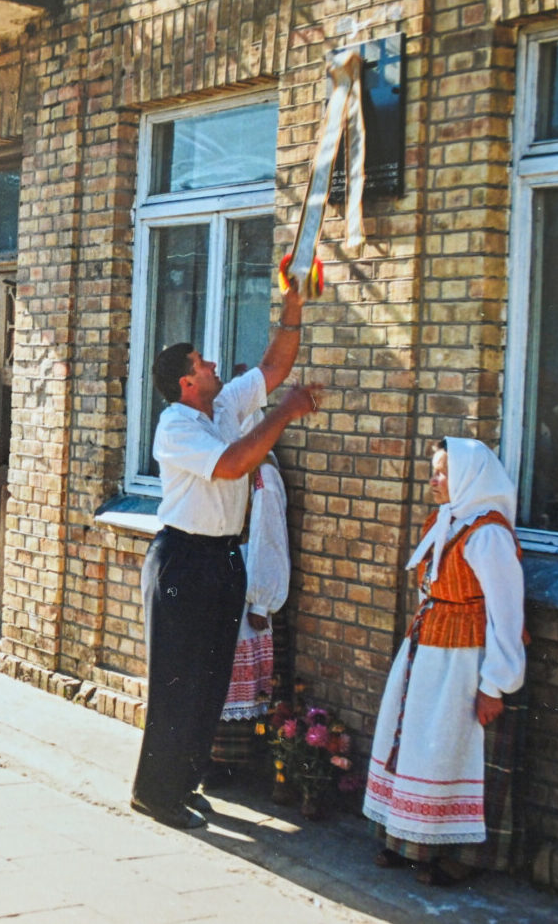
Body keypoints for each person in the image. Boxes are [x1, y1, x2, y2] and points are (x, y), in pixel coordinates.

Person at [130, 283, 320, 830]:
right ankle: (154, 792)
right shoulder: (177, 425)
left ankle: (185, 782)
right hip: (182, 561)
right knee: (176, 682)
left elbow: (272, 367)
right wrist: (282, 415)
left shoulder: (224, 404)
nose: (213, 363)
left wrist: (295, 304)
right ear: (187, 383)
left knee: (210, 681)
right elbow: (236, 463)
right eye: (201, 362)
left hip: (221, 558)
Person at [364, 437, 527, 886]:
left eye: (442, 472)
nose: (432, 480)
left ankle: (464, 856)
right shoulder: (443, 521)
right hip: (428, 651)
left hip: (464, 660)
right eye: (434, 470)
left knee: (456, 751)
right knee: (419, 744)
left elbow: (507, 614)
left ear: (470, 477)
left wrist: (494, 684)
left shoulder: (488, 533)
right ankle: (408, 842)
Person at [208, 450, 289, 775]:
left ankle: (232, 763)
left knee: (243, 670)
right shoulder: (233, 463)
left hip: (248, 573)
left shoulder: (263, 475)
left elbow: (269, 537)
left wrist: (260, 599)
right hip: (225, 569)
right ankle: (211, 756)